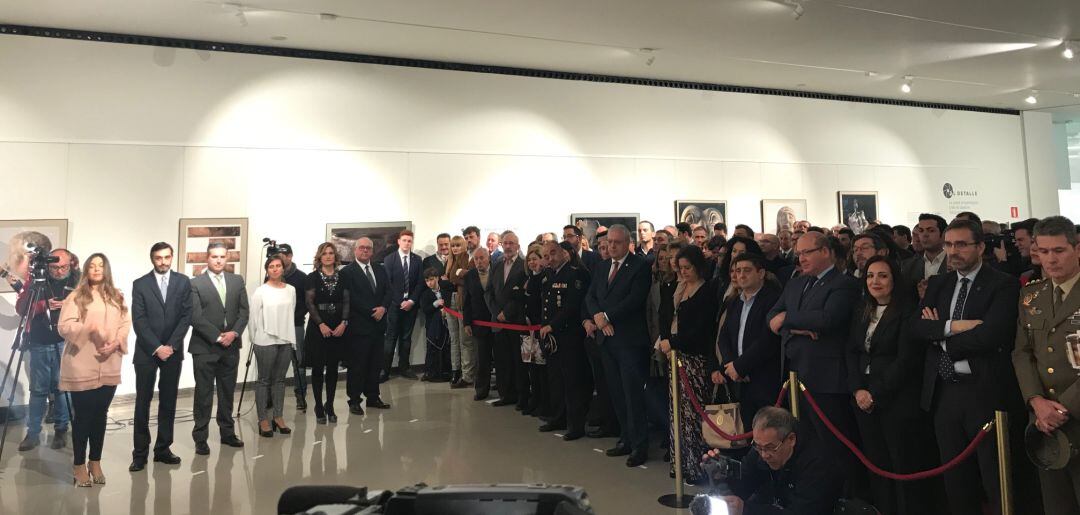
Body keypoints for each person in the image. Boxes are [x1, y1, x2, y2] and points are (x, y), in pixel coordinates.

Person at [912, 219, 1037, 515]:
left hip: (985, 392)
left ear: (980, 246)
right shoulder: (940, 284)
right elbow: (917, 328)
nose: (953, 251)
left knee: (996, 477)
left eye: (961, 244)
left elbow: (992, 335)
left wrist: (941, 336)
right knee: (956, 479)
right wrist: (955, 326)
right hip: (944, 392)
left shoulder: (1002, 283)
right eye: (949, 244)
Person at [848, 255, 943, 515]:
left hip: (897, 399)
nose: (875, 281)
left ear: (894, 280)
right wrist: (857, 390)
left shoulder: (907, 311)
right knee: (876, 464)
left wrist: (874, 393)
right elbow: (853, 351)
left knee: (902, 464)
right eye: (870, 275)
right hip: (863, 398)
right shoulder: (862, 310)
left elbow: (906, 360)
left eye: (882, 275)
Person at [767, 230, 861, 480]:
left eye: (807, 252)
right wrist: (800, 327)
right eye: (798, 254)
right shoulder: (796, 281)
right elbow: (771, 317)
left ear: (826, 252)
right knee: (803, 440)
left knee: (831, 443)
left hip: (825, 378)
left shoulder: (844, 283)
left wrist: (789, 319)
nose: (801, 259)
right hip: (794, 373)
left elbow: (827, 319)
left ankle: (842, 495)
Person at [1012, 216, 1080, 515]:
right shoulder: (1032, 295)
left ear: (1077, 249)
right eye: (1044, 251)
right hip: (1044, 422)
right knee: (1056, 504)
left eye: (1059, 250)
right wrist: (1036, 401)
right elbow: (1022, 352)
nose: (1050, 259)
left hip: (1070, 412)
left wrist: (1062, 408)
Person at [58, 253, 130, 487]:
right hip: (82, 363)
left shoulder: (116, 296)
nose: (97, 269)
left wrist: (117, 342)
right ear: (86, 270)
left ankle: (95, 461)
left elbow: (124, 323)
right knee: (84, 418)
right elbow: (64, 326)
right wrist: (89, 327)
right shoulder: (76, 296)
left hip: (109, 362)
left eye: (101, 265)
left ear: (106, 269)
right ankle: (78, 464)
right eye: (92, 265)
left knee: (100, 416)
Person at [584, 225, 652, 467]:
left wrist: (606, 317)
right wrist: (599, 318)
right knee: (616, 393)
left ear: (628, 243)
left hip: (629, 342)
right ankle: (625, 438)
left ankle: (639, 445)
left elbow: (634, 300)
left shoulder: (640, 266)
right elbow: (590, 296)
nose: (612, 246)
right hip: (607, 340)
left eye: (617, 242)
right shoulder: (603, 266)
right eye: (609, 242)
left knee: (632, 394)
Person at [703, 407, 843, 515]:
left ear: (791, 439)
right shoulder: (762, 447)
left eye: (771, 448)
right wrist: (720, 478)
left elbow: (801, 512)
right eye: (758, 447)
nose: (764, 455)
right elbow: (742, 485)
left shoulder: (817, 462)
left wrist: (746, 510)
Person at [657, 245, 718, 483]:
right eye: (680, 268)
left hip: (695, 359)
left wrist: (672, 341)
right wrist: (665, 339)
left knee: (694, 415)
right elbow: (665, 316)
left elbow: (701, 329)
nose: (683, 272)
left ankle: (696, 466)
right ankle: (679, 463)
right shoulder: (678, 288)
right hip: (676, 357)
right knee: (677, 413)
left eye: (687, 268)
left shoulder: (707, 291)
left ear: (698, 267)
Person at [128, 242, 191, 471]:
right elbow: (139, 320)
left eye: (166, 257)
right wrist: (157, 347)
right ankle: (140, 454)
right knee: (142, 403)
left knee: (168, 402)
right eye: (158, 258)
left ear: (172, 257)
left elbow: (186, 316)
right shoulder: (140, 284)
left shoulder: (183, 282)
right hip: (147, 351)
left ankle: (163, 449)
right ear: (152, 259)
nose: (163, 262)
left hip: (173, 353)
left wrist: (171, 346)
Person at [189, 243, 249, 455]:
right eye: (214, 256)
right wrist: (216, 336)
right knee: (203, 394)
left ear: (227, 258)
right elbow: (195, 316)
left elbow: (244, 312)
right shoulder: (195, 283)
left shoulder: (236, 280)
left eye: (222, 256)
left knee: (226, 393)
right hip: (205, 347)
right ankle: (201, 438)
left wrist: (234, 333)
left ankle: (227, 433)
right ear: (207, 258)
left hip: (231, 346)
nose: (218, 260)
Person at [714, 253, 783, 433]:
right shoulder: (735, 301)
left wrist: (741, 365)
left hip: (763, 377)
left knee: (767, 431)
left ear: (760, 273)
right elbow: (724, 336)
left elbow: (768, 340)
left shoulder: (773, 299)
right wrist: (731, 364)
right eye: (737, 271)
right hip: (738, 378)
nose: (741, 275)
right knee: (744, 431)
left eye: (747, 270)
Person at [15, 248, 74, 453]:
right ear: (47, 266)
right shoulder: (36, 280)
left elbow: (88, 307)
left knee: (61, 389)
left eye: (63, 267)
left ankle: (61, 430)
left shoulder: (77, 281)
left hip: (65, 341)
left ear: (71, 264)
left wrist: (70, 305)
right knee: (38, 390)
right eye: (55, 267)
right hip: (39, 341)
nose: (59, 271)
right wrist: (43, 306)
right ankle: (33, 434)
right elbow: (21, 308)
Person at [537, 241, 591, 439]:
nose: (550, 258)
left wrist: (553, 325)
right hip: (551, 337)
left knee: (572, 381)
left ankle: (575, 425)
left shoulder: (575, 274)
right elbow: (544, 304)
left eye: (553, 253)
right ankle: (558, 417)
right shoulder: (548, 275)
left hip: (569, 335)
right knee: (555, 379)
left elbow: (572, 306)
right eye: (546, 255)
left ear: (564, 254)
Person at [339, 237, 392, 415]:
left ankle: (373, 397)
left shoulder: (379, 268)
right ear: (355, 250)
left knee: (375, 364)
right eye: (361, 248)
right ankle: (354, 400)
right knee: (357, 365)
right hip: (359, 327)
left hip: (378, 326)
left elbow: (388, 291)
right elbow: (350, 298)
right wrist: (372, 311)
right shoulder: (347, 272)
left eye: (368, 248)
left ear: (372, 251)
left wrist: (383, 308)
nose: (365, 251)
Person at [249, 254, 296, 438]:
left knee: (280, 380)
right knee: (264, 380)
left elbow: (290, 313)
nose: (275, 269)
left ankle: (278, 416)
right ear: (267, 270)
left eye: (278, 266)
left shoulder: (291, 290)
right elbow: (253, 318)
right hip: (264, 340)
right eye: (271, 266)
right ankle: (263, 419)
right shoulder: (261, 291)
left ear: (283, 268)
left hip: (285, 340)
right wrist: (255, 339)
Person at [304, 242, 350, 424]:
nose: (328, 256)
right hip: (318, 327)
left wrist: (344, 323)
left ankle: (329, 405)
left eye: (331, 253)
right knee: (317, 368)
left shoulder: (343, 277)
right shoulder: (312, 277)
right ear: (319, 257)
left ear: (335, 256)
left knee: (332, 368)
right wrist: (321, 324)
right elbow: (309, 303)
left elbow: (347, 301)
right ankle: (318, 406)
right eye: (325, 253)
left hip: (338, 325)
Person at [489, 231, 528, 408]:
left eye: (512, 243)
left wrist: (507, 312)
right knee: (502, 361)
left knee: (517, 362)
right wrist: (497, 312)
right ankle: (506, 395)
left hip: (515, 321)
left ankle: (521, 397)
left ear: (518, 246)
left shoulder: (523, 265)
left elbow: (520, 295)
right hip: (498, 322)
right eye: (505, 243)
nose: (508, 246)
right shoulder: (496, 265)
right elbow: (489, 291)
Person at [382, 230, 424, 380]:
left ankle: (404, 368)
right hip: (394, 305)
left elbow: (420, 283)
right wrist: (400, 302)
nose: (407, 243)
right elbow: (388, 284)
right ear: (399, 241)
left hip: (411, 306)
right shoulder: (389, 259)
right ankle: (384, 371)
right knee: (390, 338)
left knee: (406, 338)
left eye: (409, 241)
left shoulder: (417, 260)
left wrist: (411, 301)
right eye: (404, 240)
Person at [277, 244, 309, 412]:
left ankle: (301, 395)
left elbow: (306, 303)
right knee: (276, 364)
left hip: (296, 326)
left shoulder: (301, 278)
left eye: (284, 255)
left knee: (299, 363)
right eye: (278, 256)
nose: (281, 259)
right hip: (276, 327)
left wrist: (295, 316)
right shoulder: (273, 276)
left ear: (290, 256)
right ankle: (272, 397)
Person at [462, 247, 496, 401]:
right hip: (478, 323)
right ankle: (481, 389)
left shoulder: (497, 271)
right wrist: (466, 323)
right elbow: (466, 301)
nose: (479, 261)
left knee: (501, 358)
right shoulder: (470, 276)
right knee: (481, 359)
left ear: (488, 258)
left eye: (482, 258)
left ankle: (504, 389)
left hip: (497, 321)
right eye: (476, 259)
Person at [445, 235, 473, 387]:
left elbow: (466, 279)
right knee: (454, 339)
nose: (455, 248)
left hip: (462, 301)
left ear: (463, 246)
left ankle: (466, 374)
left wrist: (452, 280)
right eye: (453, 246)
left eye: (458, 245)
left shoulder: (467, 260)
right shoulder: (449, 261)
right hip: (450, 302)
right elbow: (448, 280)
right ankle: (455, 371)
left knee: (465, 341)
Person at [902, 213, 949, 299]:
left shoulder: (954, 264)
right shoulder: (908, 266)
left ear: (943, 234)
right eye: (921, 231)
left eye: (931, 231)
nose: (924, 235)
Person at [419, 268, 452, 382]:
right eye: (427, 281)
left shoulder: (445, 290)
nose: (430, 283)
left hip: (446, 324)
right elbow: (425, 309)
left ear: (437, 278)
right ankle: (430, 372)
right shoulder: (425, 294)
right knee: (432, 348)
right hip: (432, 325)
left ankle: (446, 372)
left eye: (432, 280)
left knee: (446, 347)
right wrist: (435, 304)